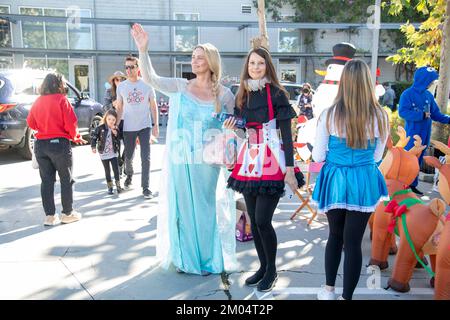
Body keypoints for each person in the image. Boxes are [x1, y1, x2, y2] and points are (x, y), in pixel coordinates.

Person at [131, 23, 238, 275]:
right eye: (193, 57)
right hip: (181, 160)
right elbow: (151, 79)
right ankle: (184, 259)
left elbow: (234, 131)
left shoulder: (225, 95)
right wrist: (143, 50)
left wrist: (233, 144)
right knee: (182, 208)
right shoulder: (181, 85)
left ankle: (208, 259)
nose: (195, 60)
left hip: (208, 163)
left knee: (204, 209)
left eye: (201, 57)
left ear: (211, 61)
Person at [225, 46, 302, 292]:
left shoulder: (278, 93)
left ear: (267, 66)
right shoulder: (243, 94)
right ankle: (262, 266)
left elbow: (287, 136)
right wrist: (232, 129)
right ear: (246, 67)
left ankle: (272, 270)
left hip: (271, 160)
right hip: (249, 159)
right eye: (251, 63)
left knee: (262, 219)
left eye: (260, 63)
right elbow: (242, 130)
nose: (255, 67)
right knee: (254, 221)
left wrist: (289, 168)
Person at [311, 59, 389, 300]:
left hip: (335, 179)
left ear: (343, 83)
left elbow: (318, 155)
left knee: (335, 235)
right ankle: (347, 297)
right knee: (353, 242)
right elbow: (377, 156)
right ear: (368, 84)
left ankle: (328, 290)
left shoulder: (329, 115)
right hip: (364, 180)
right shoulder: (381, 116)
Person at [26, 72, 87, 226]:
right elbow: (71, 122)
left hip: (41, 145)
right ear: (60, 84)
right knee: (66, 179)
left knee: (46, 181)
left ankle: (50, 217)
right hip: (59, 144)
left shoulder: (38, 101)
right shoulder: (61, 99)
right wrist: (76, 137)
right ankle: (67, 213)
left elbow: (31, 123)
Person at [398, 66, 450, 195]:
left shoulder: (428, 95)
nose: (432, 83)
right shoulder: (407, 94)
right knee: (409, 159)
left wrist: (448, 119)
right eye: (431, 80)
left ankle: (412, 184)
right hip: (412, 134)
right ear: (423, 80)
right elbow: (402, 112)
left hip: (425, 133)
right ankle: (402, 185)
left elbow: (436, 114)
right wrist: (420, 115)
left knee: (418, 160)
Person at [115, 55, 159, 199]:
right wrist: (115, 124)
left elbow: (153, 106)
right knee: (128, 156)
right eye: (126, 67)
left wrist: (156, 125)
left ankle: (145, 188)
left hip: (144, 126)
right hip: (128, 127)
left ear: (138, 68)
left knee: (145, 157)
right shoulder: (121, 87)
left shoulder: (147, 85)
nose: (128, 70)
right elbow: (120, 108)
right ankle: (129, 176)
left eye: (131, 67)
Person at [91, 109, 123, 194]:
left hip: (113, 153)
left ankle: (118, 186)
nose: (111, 121)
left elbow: (119, 138)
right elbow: (94, 137)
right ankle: (110, 187)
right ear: (105, 118)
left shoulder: (115, 128)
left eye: (113, 120)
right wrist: (93, 147)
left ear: (116, 120)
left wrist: (115, 133)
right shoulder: (100, 128)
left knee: (116, 170)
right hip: (103, 154)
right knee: (107, 171)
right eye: (109, 119)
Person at [103, 71, 127, 175]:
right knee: (116, 145)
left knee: (129, 146)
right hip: (115, 122)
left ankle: (125, 162)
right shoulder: (109, 91)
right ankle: (119, 164)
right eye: (117, 79)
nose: (119, 81)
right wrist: (112, 105)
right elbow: (104, 108)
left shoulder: (128, 89)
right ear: (114, 81)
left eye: (122, 79)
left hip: (127, 121)